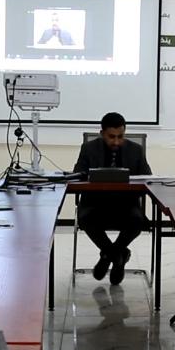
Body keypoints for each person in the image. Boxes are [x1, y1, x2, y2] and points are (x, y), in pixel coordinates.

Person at [73, 112, 152, 285]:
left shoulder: (135, 150)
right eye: (111, 137)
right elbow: (78, 174)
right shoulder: (89, 148)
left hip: (126, 205)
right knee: (86, 219)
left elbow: (147, 178)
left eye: (120, 136)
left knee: (138, 222)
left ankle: (108, 255)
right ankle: (119, 255)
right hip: (95, 204)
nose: (116, 141)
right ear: (102, 133)